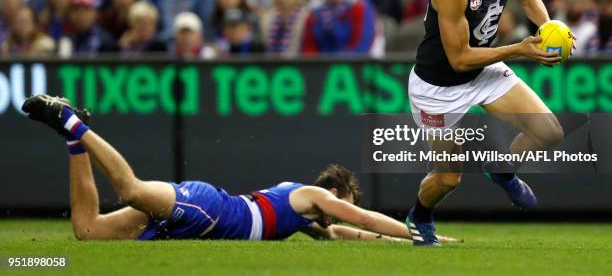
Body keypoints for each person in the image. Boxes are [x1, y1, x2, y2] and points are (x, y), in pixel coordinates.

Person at [20, 94, 456, 243]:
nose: (335, 216)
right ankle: (73, 121)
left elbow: (350, 232)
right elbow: (359, 217)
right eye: (344, 204)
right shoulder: (315, 197)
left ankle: (74, 139)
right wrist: (422, 231)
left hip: (209, 214)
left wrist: (410, 237)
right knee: (132, 190)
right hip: (212, 210)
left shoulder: (305, 214)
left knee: (87, 231)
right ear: (337, 194)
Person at [406, 0, 566, 246]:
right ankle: (419, 215)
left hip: (481, 70)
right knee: (448, 179)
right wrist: (520, 49)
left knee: (549, 132)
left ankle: (502, 170)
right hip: (437, 88)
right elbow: (460, 59)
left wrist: (549, 29)